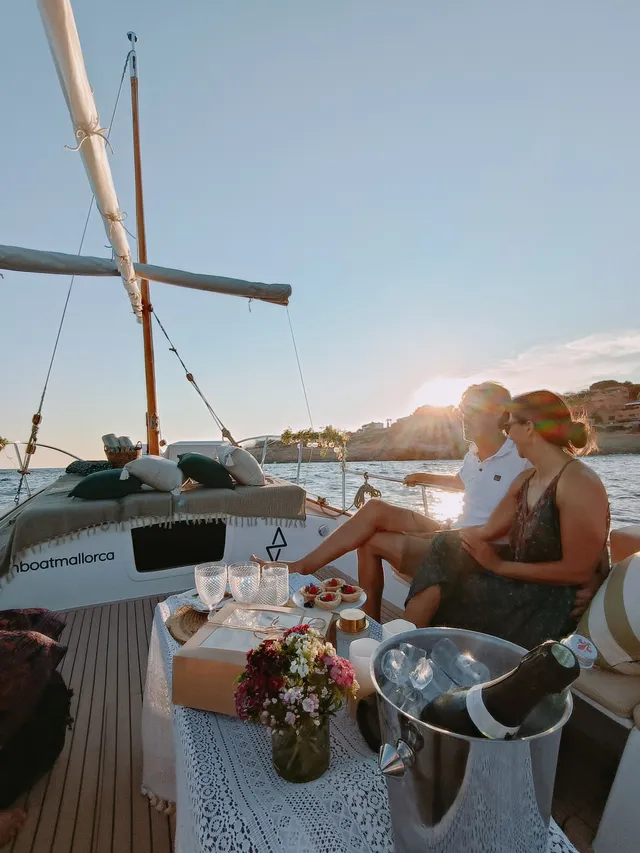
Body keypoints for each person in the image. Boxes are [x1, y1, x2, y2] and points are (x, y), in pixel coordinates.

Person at [254, 383, 602, 622]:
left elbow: (578, 520)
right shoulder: (474, 454)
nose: (461, 415)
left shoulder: (526, 459)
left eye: (469, 409)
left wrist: (593, 575)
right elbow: (465, 483)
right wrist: (425, 477)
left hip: (478, 541)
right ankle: (305, 567)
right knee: (374, 510)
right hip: (458, 528)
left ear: (500, 415)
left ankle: (371, 625)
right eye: (461, 408)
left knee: (372, 541)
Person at [404, 390, 610, 649]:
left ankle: (406, 645)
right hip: (518, 580)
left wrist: (499, 567)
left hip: (550, 598)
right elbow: (486, 531)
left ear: (529, 428)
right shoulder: (525, 480)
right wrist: (431, 536)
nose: (507, 434)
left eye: (509, 426)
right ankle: (407, 643)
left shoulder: (578, 482)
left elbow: (577, 570)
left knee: (461, 588)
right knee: (445, 546)